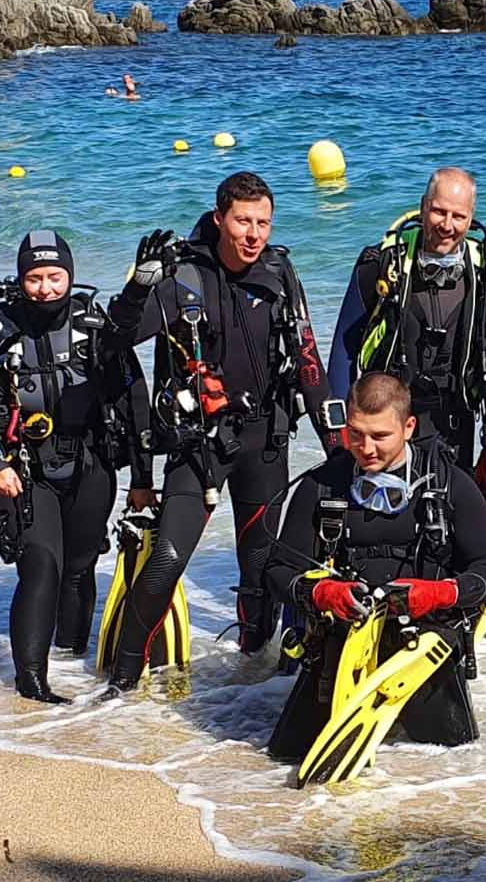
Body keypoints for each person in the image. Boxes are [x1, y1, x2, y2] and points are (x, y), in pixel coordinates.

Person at [104, 171, 336, 689]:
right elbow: (115, 342)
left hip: (265, 442)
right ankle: (120, 684)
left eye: (263, 223)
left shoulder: (279, 274)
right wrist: (137, 287)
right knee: (166, 558)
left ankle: (251, 673)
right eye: (243, 222)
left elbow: (308, 363)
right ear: (219, 219)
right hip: (199, 446)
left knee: (259, 566)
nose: (254, 234)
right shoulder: (179, 277)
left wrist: (337, 447)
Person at [262, 374, 486, 781]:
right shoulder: (321, 486)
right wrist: (321, 592)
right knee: (284, 760)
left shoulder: (449, 485)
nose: (366, 449)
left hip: (422, 646)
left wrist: (441, 593)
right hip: (342, 643)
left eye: (380, 436)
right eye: (355, 435)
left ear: (408, 427)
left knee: (454, 770)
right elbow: (276, 572)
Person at [0, 231, 152, 703]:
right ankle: (32, 680)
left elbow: (133, 394)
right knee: (41, 567)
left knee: (80, 566)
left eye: (55, 277)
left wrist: (143, 477)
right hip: (23, 469)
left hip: (91, 461)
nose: (45, 288)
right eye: (34, 278)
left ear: (69, 276)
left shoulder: (92, 325)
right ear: (20, 278)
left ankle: (71, 656)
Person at [328, 167, 486, 519]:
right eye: (439, 211)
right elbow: (343, 350)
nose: (447, 224)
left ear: (471, 218)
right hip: (384, 426)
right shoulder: (383, 265)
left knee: (444, 525)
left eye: (458, 216)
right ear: (422, 207)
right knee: (382, 522)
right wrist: (340, 439)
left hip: (455, 422)